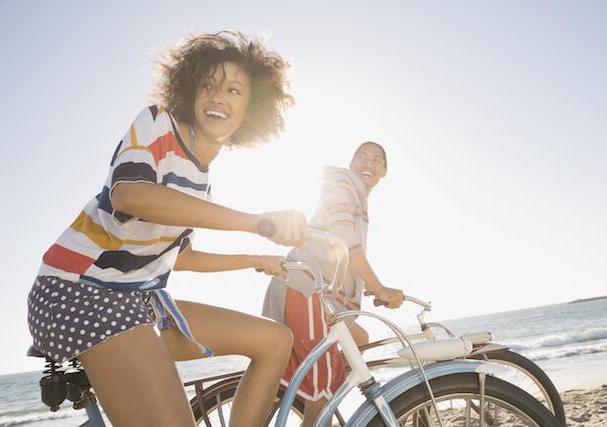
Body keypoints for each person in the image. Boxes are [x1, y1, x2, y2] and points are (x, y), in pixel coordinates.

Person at [26, 31, 308, 427]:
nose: (217, 97)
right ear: (190, 91)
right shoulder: (158, 123)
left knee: (274, 340)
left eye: (233, 90)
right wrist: (256, 223)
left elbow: (183, 257)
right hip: (77, 293)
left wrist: (257, 259)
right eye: (207, 85)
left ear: (251, 108)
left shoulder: (202, 181)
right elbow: (130, 195)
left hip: (139, 301)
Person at [262, 141, 404, 426]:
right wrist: (380, 288)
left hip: (323, 298)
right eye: (361, 156)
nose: (368, 163)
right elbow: (344, 241)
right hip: (306, 292)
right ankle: (321, 390)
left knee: (360, 340)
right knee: (321, 409)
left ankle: (325, 383)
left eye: (377, 160)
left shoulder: (358, 201)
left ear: (384, 171)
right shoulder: (343, 183)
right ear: (351, 163)